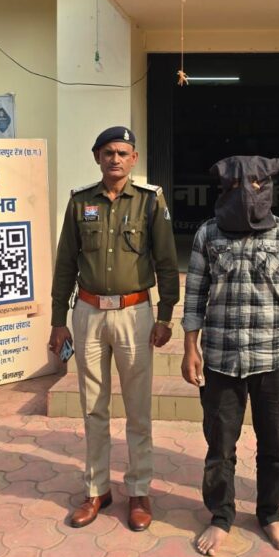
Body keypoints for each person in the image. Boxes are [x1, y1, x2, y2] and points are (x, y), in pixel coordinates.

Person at [181, 155, 279, 556]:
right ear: (224, 189)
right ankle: (221, 516)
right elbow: (194, 296)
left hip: (273, 359)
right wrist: (190, 348)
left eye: (255, 185)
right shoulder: (208, 234)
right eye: (236, 186)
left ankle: (270, 513)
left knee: (274, 445)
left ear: (267, 188)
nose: (246, 194)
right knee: (220, 447)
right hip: (221, 360)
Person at [49, 126, 179, 531]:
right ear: (97, 157)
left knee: (138, 409)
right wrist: (58, 320)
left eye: (123, 153)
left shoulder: (150, 201)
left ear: (134, 158)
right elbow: (65, 264)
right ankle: (96, 489)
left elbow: (167, 261)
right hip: (87, 313)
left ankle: (139, 490)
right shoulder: (80, 202)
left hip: (134, 314)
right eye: (108, 152)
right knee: (93, 406)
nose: (115, 159)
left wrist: (165, 315)